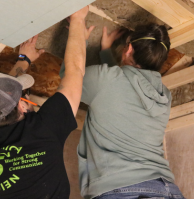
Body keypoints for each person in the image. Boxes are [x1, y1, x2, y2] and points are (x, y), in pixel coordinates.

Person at [0, 6, 91, 199]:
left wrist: (23, 60)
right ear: (22, 106)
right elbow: (75, 71)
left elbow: (0, 94)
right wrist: (78, 18)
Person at [62, 25, 186, 199]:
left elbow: (70, 78)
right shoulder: (163, 96)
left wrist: (81, 38)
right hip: (146, 187)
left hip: (155, 191)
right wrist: (105, 53)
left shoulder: (108, 81)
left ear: (128, 49)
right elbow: (120, 87)